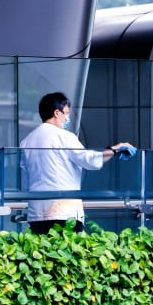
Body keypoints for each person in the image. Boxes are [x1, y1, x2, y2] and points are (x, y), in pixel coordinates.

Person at [19, 92, 134, 234]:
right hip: (63, 212)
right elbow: (89, 160)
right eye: (66, 113)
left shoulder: (26, 141)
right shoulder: (64, 136)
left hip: (36, 213)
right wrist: (115, 149)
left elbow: (25, 181)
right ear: (57, 113)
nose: (67, 118)